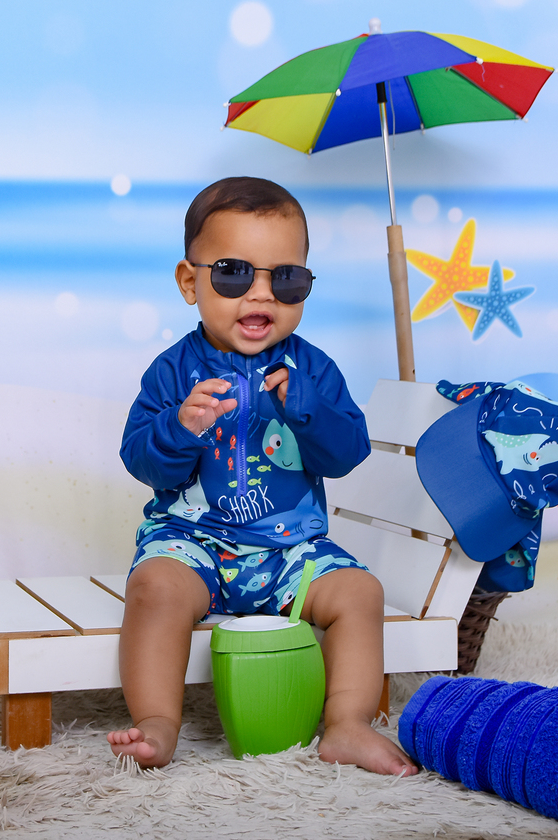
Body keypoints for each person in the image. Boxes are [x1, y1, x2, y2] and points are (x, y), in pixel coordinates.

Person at [107, 177, 416, 776]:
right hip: (193, 544)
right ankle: (158, 721)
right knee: (154, 588)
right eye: (233, 274)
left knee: (360, 593)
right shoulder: (172, 372)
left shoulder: (313, 369)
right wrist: (179, 427)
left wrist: (309, 409)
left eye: (287, 279)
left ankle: (347, 724)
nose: (261, 294)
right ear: (190, 282)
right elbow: (140, 460)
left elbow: (347, 453)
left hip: (291, 551)